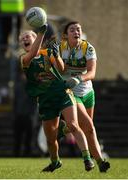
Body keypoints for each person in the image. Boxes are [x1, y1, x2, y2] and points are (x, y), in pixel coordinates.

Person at [19, 24, 94, 172]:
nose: (25, 39)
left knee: (73, 124)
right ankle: (55, 162)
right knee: (51, 138)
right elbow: (33, 52)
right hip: (46, 100)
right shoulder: (23, 59)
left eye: (28, 36)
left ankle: (87, 158)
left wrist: (57, 56)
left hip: (62, 92)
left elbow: (61, 68)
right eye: (22, 39)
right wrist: (41, 32)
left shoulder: (47, 53)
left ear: (36, 40)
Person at [58, 21, 110, 172]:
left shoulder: (88, 48)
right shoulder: (60, 48)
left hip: (88, 92)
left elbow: (92, 72)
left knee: (87, 129)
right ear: (66, 35)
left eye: (79, 29)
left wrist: (79, 78)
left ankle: (66, 128)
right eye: (72, 29)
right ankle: (100, 162)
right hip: (71, 93)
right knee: (89, 126)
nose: (77, 32)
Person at [13, 69, 36, 157]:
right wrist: (15, 113)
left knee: (29, 136)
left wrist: (32, 114)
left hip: (29, 116)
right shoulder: (18, 87)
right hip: (19, 115)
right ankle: (16, 153)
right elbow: (15, 101)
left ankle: (28, 153)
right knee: (17, 136)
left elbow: (34, 102)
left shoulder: (32, 87)